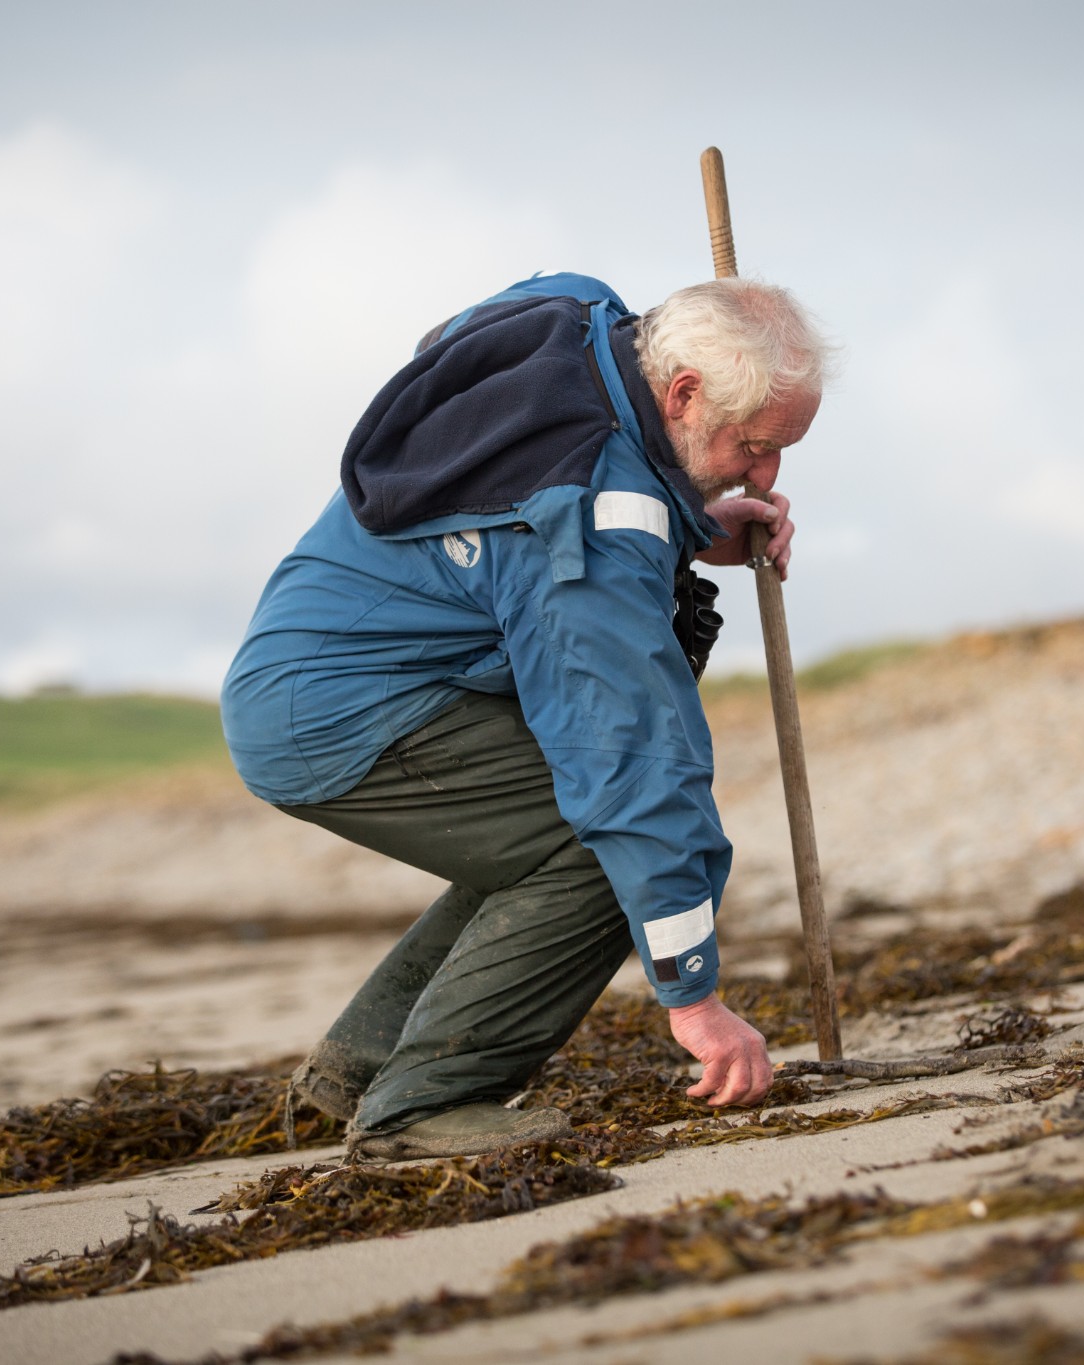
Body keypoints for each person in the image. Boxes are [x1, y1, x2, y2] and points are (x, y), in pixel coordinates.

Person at [221, 271, 829, 1160]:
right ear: (686, 391)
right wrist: (694, 1001)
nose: (768, 474)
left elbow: (481, 391)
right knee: (596, 842)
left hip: (311, 659)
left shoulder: (573, 318)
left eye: (781, 450)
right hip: (334, 709)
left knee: (546, 834)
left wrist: (691, 519)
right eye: (756, 445)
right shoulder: (594, 525)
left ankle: (355, 1073)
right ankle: (423, 1105)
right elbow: (630, 761)